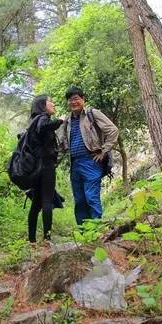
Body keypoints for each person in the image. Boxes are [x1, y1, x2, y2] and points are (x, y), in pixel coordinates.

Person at [58, 86, 119, 225]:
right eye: (70, 100)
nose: (73, 102)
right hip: (75, 163)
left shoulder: (92, 113)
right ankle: (83, 233)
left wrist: (104, 150)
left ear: (83, 99)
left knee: (91, 196)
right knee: (79, 200)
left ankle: (96, 231)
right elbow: (62, 145)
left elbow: (113, 130)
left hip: (91, 161)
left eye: (76, 99)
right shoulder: (67, 121)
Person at [25, 95, 64, 243]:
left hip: (35, 168)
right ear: (42, 105)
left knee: (36, 203)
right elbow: (44, 127)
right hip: (45, 166)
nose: (53, 103)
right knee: (47, 201)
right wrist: (59, 121)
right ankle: (47, 239)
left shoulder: (33, 121)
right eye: (50, 101)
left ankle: (32, 241)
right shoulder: (42, 119)